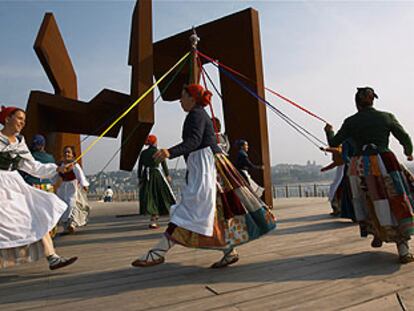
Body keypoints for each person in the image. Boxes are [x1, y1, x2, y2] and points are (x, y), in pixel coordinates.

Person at [131, 84, 276, 268]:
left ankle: (158, 252)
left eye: (182, 96)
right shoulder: (197, 114)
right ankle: (229, 251)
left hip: (208, 168)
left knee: (190, 208)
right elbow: (195, 142)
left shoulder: (196, 115)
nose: (180, 100)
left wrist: (170, 152)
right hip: (208, 166)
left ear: (192, 98)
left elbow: (194, 141)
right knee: (215, 211)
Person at [324, 87, 414, 264]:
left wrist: (329, 130)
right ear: (373, 100)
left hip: (360, 167)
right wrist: (409, 152)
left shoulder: (351, 121)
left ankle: (376, 233)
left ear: (357, 103)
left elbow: (334, 142)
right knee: (395, 199)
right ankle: (403, 250)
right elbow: (404, 137)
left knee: (368, 200)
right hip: (386, 162)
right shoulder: (386, 117)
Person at [0, 106, 77, 270]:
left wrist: (57, 168)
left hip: (13, 183)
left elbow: (33, 167)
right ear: (7, 119)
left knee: (36, 212)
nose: (22, 123)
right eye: (19, 118)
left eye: (24, 120)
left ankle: (52, 257)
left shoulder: (20, 143)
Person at [137, 134, 176, 229]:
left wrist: (140, 178)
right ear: (154, 142)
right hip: (156, 175)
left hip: (146, 176)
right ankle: (168, 216)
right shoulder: (158, 152)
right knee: (161, 195)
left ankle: (153, 218)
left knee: (150, 197)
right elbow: (163, 165)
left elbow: (139, 167)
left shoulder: (143, 153)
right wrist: (167, 175)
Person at [55, 145, 91, 234]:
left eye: (69, 152)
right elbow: (55, 176)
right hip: (63, 188)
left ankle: (72, 224)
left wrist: (84, 184)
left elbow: (80, 175)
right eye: (65, 152)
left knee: (72, 204)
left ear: (72, 155)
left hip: (73, 186)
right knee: (63, 205)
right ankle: (65, 226)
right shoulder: (60, 165)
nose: (67, 154)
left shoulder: (74, 165)